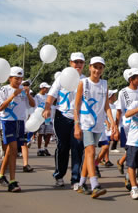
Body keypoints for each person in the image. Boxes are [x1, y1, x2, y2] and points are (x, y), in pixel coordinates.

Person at [74, 56, 118, 198]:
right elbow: (77, 105)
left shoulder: (104, 84)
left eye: (100, 67)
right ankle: (94, 185)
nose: (97, 70)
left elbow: (106, 106)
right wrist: (76, 124)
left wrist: (112, 122)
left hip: (98, 124)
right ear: (90, 67)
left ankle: (81, 183)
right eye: (95, 67)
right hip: (86, 123)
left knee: (89, 154)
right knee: (91, 152)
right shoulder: (83, 83)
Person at [43, 52, 86, 189]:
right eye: (75, 62)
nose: (78, 65)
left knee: (77, 147)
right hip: (62, 117)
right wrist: (47, 108)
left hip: (78, 118)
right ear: (70, 63)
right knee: (62, 147)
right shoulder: (62, 77)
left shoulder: (85, 80)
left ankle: (75, 179)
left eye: (81, 62)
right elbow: (51, 94)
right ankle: (59, 175)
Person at [0, 66, 35, 192]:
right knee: (13, 150)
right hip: (8, 122)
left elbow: (33, 105)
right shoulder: (5, 90)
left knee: (10, 151)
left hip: (20, 123)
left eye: (20, 79)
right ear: (10, 78)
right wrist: (13, 95)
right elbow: (0, 107)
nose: (18, 81)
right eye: (16, 79)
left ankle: (1, 175)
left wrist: (28, 95)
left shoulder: (24, 91)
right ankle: (12, 181)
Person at [116, 68, 138, 190]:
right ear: (131, 79)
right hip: (127, 128)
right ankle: (129, 178)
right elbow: (119, 111)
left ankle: (135, 177)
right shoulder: (123, 92)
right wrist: (116, 128)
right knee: (131, 153)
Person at [35, 82, 52, 156]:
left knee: (49, 133)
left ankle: (45, 148)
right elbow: (36, 107)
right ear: (42, 88)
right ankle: (39, 149)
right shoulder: (37, 97)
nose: (47, 89)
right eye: (46, 88)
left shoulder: (47, 96)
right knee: (40, 133)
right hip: (40, 117)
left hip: (47, 117)